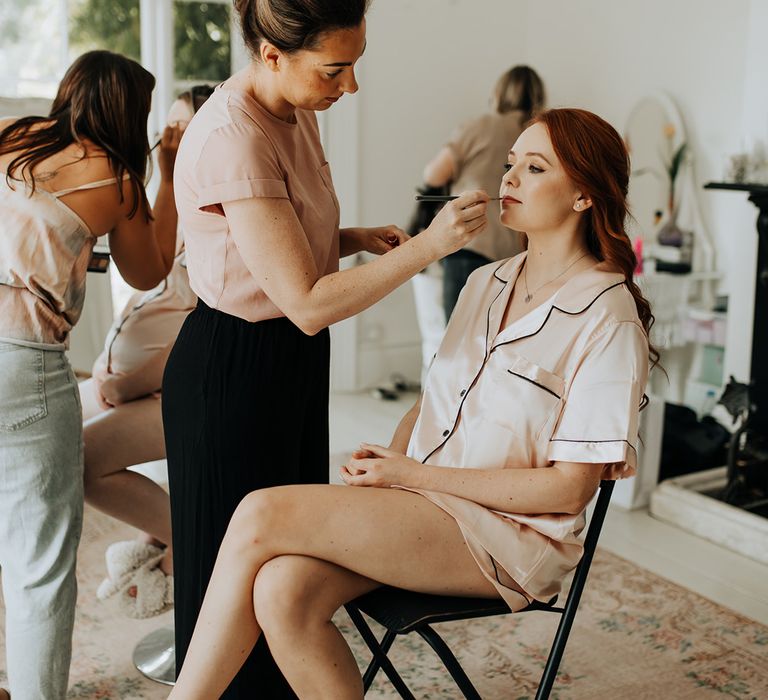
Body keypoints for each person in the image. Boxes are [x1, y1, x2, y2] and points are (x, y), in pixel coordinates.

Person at [166, 107, 657, 700]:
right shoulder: (486, 281)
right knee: (281, 590)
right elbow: (431, 405)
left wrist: (412, 474)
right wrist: (389, 467)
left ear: (583, 196)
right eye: (510, 165)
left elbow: (569, 491)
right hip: (424, 502)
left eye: (534, 168)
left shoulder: (608, 316)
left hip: (507, 537)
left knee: (259, 513)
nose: (509, 180)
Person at [162, 1, 490, 697]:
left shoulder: (296, 109)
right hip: (236, 368)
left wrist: (349, 237)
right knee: (231, 568)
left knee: (287, 554)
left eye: (355, 66)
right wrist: (429, 246)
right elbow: (307, 304)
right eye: (335, 70)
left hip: (290, 365)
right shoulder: (235, 137)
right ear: (273, 55)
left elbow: (272, 233)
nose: (351, 87)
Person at [0, 51, 178, 700]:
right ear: (130, 112)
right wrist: (169, 174)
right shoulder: (118, 179)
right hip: (21, 366)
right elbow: (149, 271)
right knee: (39, 564)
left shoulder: (13, 137)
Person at [78, 86, 213, 619]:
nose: (170, 137)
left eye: (183, 127)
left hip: (173, 391)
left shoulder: (214, 221)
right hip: (130, 385)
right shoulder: (177, 206)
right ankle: (166, 538)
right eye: (169, 127)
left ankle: (190, 544)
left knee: (79, 463)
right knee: (42, 440)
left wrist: (127, 384)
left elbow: (198, 335)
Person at [423, 65, 546, 320]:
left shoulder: (481, 126)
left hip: (470, 242)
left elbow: (433, 175)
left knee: (459, 338)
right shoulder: (536, 138)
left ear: (500, 93)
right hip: (516, 255)